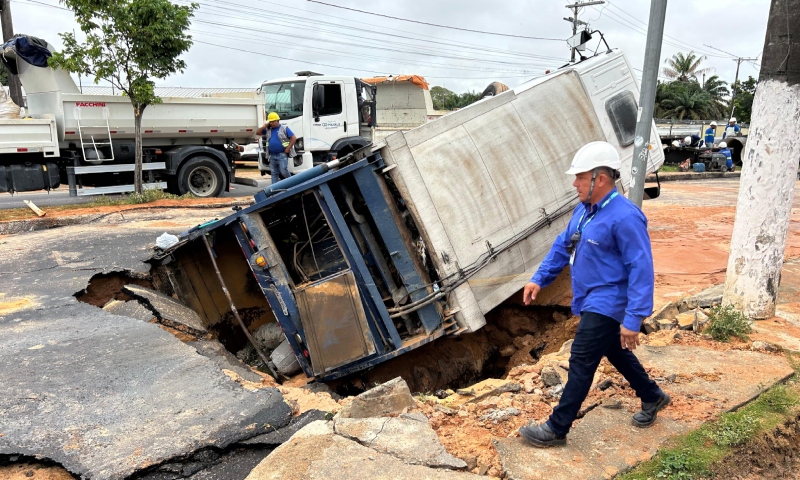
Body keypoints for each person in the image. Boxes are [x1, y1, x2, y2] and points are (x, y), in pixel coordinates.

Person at [518, 141, 670, 448]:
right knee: (614, 350)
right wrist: (539, 279)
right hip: (589, 298)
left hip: (610, 300)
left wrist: (633, 318)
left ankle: (557, 428)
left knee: (582, 359)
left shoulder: (626, 217)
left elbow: (641, 268)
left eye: (579, 177)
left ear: (600, 178)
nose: (574, 183)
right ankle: (653, 396)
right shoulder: (583, 210)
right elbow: (563, 245)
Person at [257, 112, 297, 185]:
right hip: (272, 155)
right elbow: (258, 133)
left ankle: (293, 184)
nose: (272, 123)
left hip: (282, 155)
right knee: (274, 173)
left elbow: (293, 138)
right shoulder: (268, 130)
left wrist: (288, 148)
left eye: (273, 121)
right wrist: (264, 126)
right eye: (270, 122)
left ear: (278, 121)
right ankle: (274, 190)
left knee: (283, 171)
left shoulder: (284, 128)